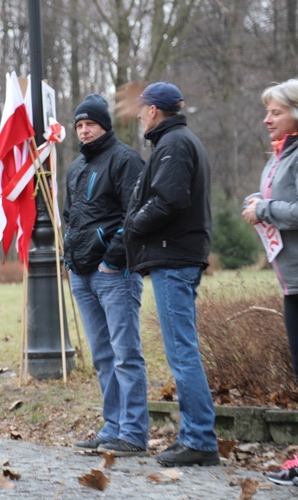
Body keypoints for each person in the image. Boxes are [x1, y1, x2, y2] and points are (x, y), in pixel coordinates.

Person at [123, 82, 219, 467]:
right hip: (176, 255)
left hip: (174, 257)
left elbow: (169, 200)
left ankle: (199, 439)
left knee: (181, 352)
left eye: (142, 107)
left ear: (153, 110)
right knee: (181, 349)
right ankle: (195, 436)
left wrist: (133, 225)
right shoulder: (174, 141)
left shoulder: (174, 144)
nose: (138, 114)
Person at [241, 78, 298, 491]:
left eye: (275, 111)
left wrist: (267, 208)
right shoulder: (279, 157)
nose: (267, 119)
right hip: (294, 285)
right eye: (268, 111)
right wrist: (258, 205)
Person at [62, 94, 148, 456]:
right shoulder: (75, 167)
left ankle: (133, 433)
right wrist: (71, 257)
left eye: (90, 124)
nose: (84, 131)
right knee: (102, 355)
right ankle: (112, 427)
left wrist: (112, 258)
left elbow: (137, 214)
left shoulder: (126, 159)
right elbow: (71, 215)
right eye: (79, 125)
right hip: (81, 274)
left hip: (114, 273)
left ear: (105, 126)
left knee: (126, 353)